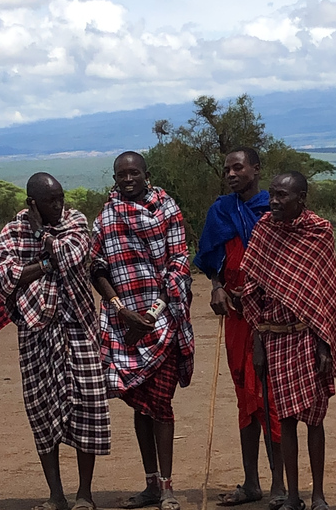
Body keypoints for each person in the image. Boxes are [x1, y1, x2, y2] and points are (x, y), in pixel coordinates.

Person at [0, 173, 111, 510]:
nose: (59, 205)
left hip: (78, 328)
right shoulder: (13, 232)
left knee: (88, 406)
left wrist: (43, 242)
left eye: (60, 198)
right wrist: (45, 261)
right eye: (50, 201)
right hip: (35, 332)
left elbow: (71, 255)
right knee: (41, 410)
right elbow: (3, 276)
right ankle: (56, 495)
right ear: (32, 204)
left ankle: (84, 494)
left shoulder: (75, 221)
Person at [91, 151, 194, 510]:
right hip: (123, 323)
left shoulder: (166, 209)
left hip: (161, 321)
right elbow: (98, 268)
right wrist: (123, 312)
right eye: (122, 174)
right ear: (115, 177)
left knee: (161, 405)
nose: (128, 179)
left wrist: (149, 315)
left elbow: (179, 261)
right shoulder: (106, 217)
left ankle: (167, 487)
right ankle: (150, 484)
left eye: (134, 172)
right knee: (140, 405)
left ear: (146, 175)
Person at [240, 171, 336, 510]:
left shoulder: (318, 232)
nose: (274, 201)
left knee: (314, 420)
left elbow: (324, 295)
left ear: (302, 198)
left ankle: (318, 494)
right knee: (283, 420)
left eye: (283, 196)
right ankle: (293, 494)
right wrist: (257, 341)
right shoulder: (263, 231)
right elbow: (251, 291)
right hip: (273, 338)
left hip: (307, 337)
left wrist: (325, 345)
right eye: (273, 194)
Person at [193, 146, 286, 508]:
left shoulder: (274, 210)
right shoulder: (221, 211)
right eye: (227, 169)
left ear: (256, 170)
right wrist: (216, 287)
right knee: (244, 396)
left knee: (270, 398)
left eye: (238, 168)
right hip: (235, 314)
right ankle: (251, 482)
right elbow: (211, 258)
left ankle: (280, 482)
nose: (231, 174)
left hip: (270, 317)